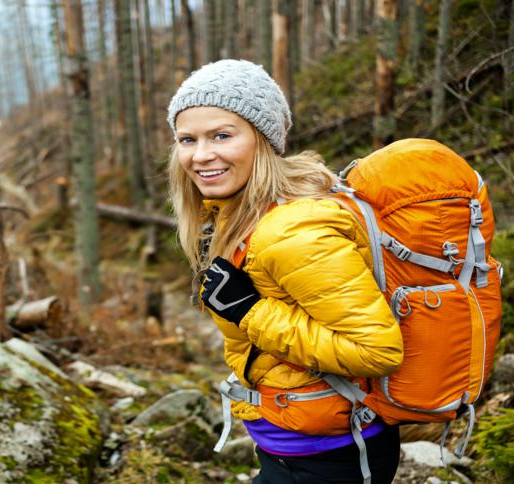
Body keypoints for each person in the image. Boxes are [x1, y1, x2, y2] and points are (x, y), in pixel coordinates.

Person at [166, 59, 405, 483]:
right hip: (294, 446)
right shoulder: (238, 215)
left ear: (263, 140)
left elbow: (378, 351)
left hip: (333, 457)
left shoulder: (290, 230)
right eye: (188, 139)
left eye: (221, 135)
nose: (201, 155)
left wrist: (250, 311)